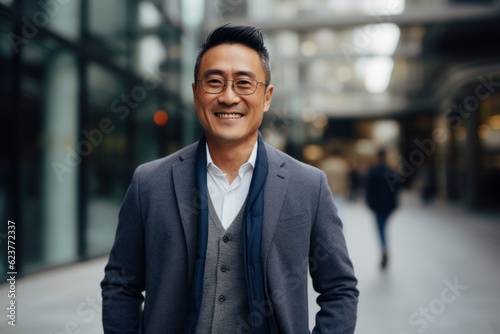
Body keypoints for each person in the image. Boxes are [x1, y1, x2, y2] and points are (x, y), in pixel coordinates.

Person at [101, 24, 358, 334]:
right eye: (214, 82)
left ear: (266, 97)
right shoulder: (150, 182)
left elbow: (340, 290)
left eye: (244, 83)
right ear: (196, 93)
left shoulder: (308, 186)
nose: (228, 97)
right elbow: (121, 285)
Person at [365, 149, 399, 270]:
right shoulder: (391, 171)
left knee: (381, 229)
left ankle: (384, 249)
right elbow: (396, 189)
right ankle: (384, 249)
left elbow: (369, 189)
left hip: (378, 206)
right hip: (388, 206)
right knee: (383, 227)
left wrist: (369, 203)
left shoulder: (374, 171)